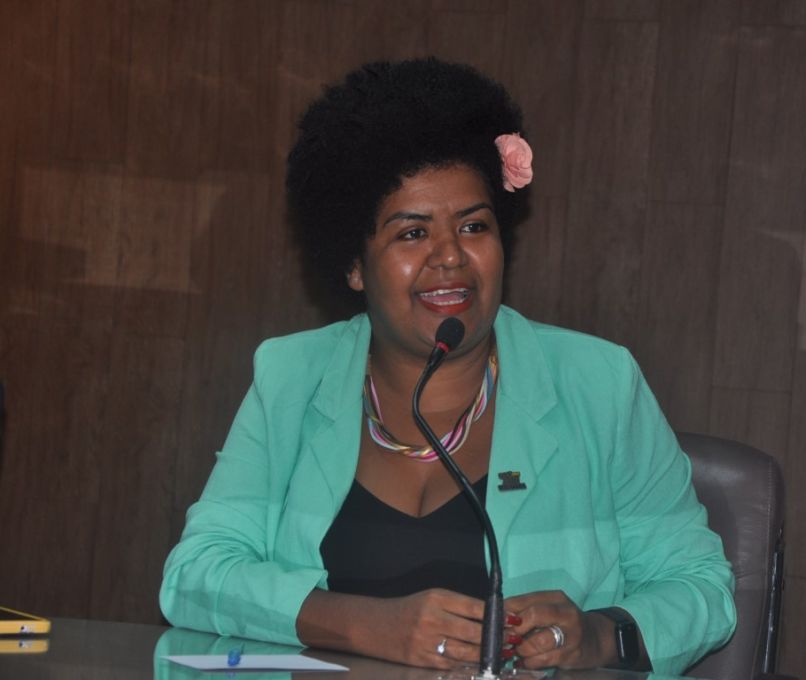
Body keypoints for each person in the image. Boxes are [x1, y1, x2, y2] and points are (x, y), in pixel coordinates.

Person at [159, 57, 735, 676]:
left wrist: (598, 635)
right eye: (411, 234)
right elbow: (195, 575)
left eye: (474, 226)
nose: (451, 257)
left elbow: (701, 588)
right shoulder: (292, 378)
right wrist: (365, 625)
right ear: (354, 265)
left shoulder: (598, 384)